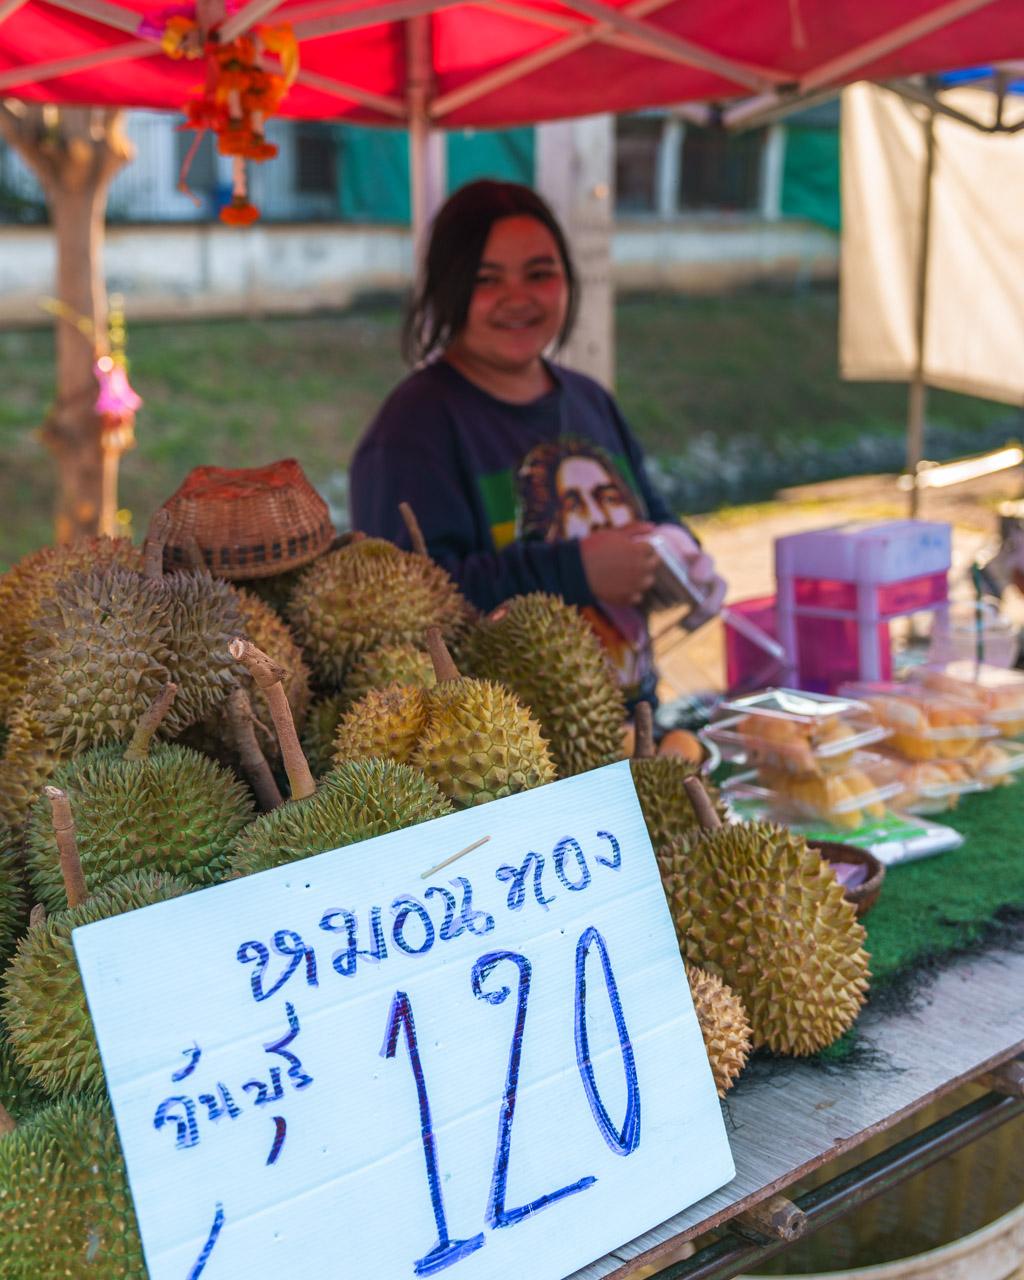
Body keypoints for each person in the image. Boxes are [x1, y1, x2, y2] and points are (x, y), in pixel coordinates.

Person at [349, 179, 723, 706]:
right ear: (448, 287)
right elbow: (400, 609)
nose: (517, 298)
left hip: (632, 724)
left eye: (539, 274)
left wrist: (680, 554)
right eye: (487, 279)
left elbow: (652, 512)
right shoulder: (412, 428)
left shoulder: (590, 400)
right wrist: (575, 573)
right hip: (507, 761)